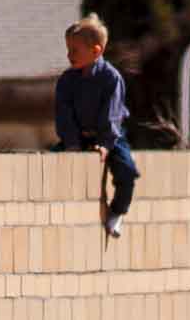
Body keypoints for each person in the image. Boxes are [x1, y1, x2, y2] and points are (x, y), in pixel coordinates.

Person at [53, 13, 138, 240]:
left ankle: (117, 212)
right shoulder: (67, 80)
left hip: (109, 137)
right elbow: (64, 114)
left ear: (96, 51)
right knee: (50, 159)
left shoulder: (111, 78)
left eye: (75, 51)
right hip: (78, 136)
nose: (69, 55)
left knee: (127, 170)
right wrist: (71, 142)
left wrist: (105, 143)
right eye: (68, 49)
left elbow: (112, 114)